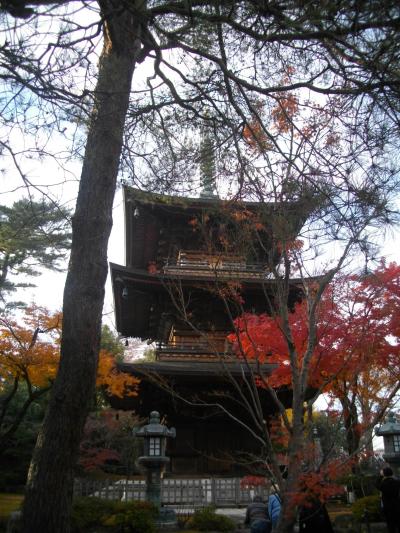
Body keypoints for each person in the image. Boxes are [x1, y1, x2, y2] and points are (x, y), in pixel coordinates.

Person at [376, 466, 400, 533]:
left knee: (390, 524)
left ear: (384, 474)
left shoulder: (383, 484)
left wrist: (380, 476)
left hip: (387, 506)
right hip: (397, 504)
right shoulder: (397, 482)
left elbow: (377, 484)